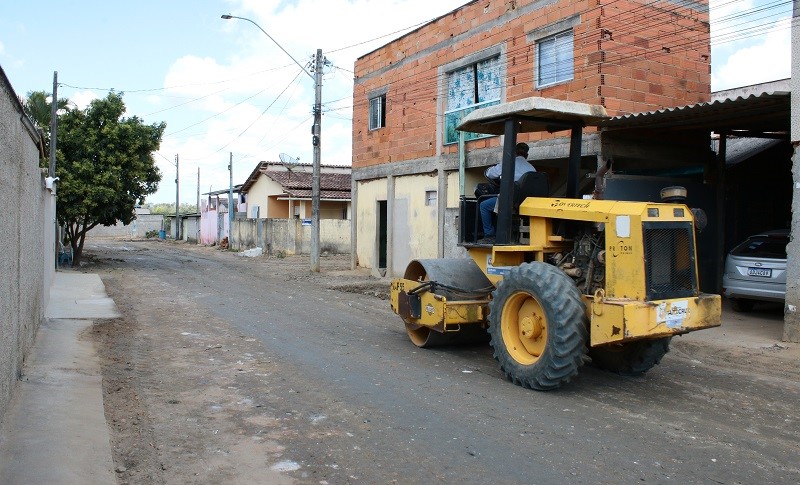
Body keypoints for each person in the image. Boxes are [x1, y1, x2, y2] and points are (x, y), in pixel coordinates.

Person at [478, 142, 535, 243]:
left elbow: (490, 174)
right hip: (526, 202)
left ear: (514, 153)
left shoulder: (507, 164)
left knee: (484, 205)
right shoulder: (532, 168)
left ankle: (489, 235)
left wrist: (491, 169)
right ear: (526, 155)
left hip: (510, 201)